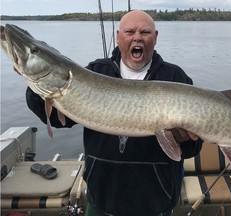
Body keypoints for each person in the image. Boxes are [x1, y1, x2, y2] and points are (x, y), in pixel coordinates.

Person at [25, 10, 203, 216]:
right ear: (118, 37)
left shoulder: (175, 77)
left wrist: (182, 139)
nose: (137, 37)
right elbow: (58, 120)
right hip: (102, 197)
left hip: (155, 201)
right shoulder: (96, 71)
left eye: (145, 32)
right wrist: (37, 85)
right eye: (130, 31)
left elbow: (192, 148)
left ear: (155, 38)